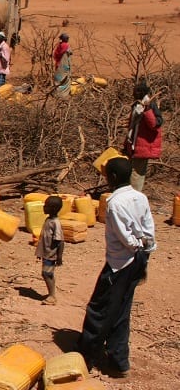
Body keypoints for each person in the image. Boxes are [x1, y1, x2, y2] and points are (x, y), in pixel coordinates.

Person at [77, 157, 156, 378]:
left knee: (99, 309)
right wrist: (146, 250)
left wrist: (136, 246)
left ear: (111, 177)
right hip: (138, 259)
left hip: (120, 263)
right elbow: (149, 228)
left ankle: (85, 358)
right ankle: (119, 361)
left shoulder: (114, 203)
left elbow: (125, 237)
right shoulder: (140, 197)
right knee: (122, 309)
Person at [123, 82, 162, 191]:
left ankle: (134, 198)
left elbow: (154, 124)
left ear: (144, 92)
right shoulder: (136, 105)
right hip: (133, 145)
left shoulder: (151, 105)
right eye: (135, 91)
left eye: (138, 91)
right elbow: (132, 127)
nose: (135, 93)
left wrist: (147, 110)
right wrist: (126, 144)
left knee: (136, 175)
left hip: (143, 145)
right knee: (130, 172)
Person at [36, 195, 64, 305]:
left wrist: (59, 257)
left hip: (51, 254)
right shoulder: (48, 220)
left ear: (52, 208)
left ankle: (52, 296)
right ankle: (51, 293)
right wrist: (40, 252)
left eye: (46, 206)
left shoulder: (55, 223)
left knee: (46, 273)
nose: (43, 207)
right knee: (47, 273)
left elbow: (60, 241)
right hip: (46, 253)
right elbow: (45, 238)